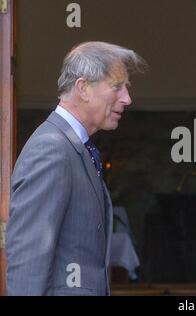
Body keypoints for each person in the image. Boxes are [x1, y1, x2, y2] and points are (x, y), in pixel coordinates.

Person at [6, 41, 147, 295]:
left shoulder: (73, 146)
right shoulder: (51, 149)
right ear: (83, 88)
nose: (127, 98)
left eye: (126, 88)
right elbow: (28, 261)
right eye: (117, 87)